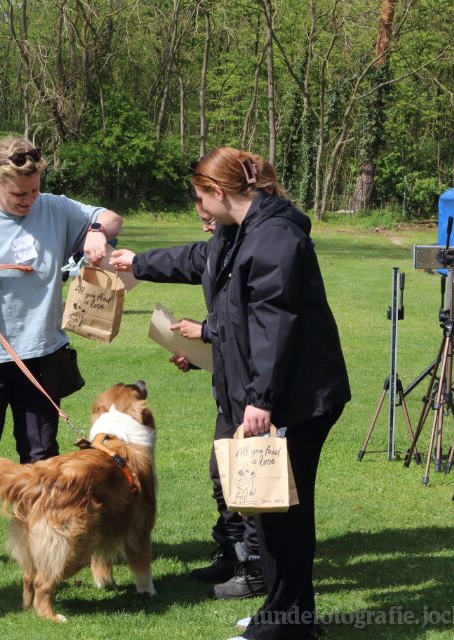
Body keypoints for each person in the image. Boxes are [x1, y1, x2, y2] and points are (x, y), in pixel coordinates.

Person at [110, 147, 350, 640]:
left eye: (200, 198)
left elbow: (274, 325)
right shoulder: (237, 233)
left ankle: (286, 623)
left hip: (298, 397)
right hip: (273, 393)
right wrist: (138, 263)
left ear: (219, 192)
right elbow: (199, 259)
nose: (198, 208)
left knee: (284, 514)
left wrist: (261, 400)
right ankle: (286, 616)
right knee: (271, 512)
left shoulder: (274, 237)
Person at [0, 135, 122, 570]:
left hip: (43, 352)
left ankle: (43, 532)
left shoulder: (54, 207)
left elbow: (109, 217)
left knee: (41, 450)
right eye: (19, 194)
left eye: (34, 190)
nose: (29, 200)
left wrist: (95, 232)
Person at [168, 202, 267, 600]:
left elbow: (255, 324)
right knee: (221, 473)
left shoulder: (260, 242)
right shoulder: (223, 244)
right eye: (201, 220)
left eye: (210, 219)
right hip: (232, 389)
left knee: (251, 479)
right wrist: (197, 356)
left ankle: (256, 566)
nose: (207, 227)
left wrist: (206, 330)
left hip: (258, 393)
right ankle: (230, 551)